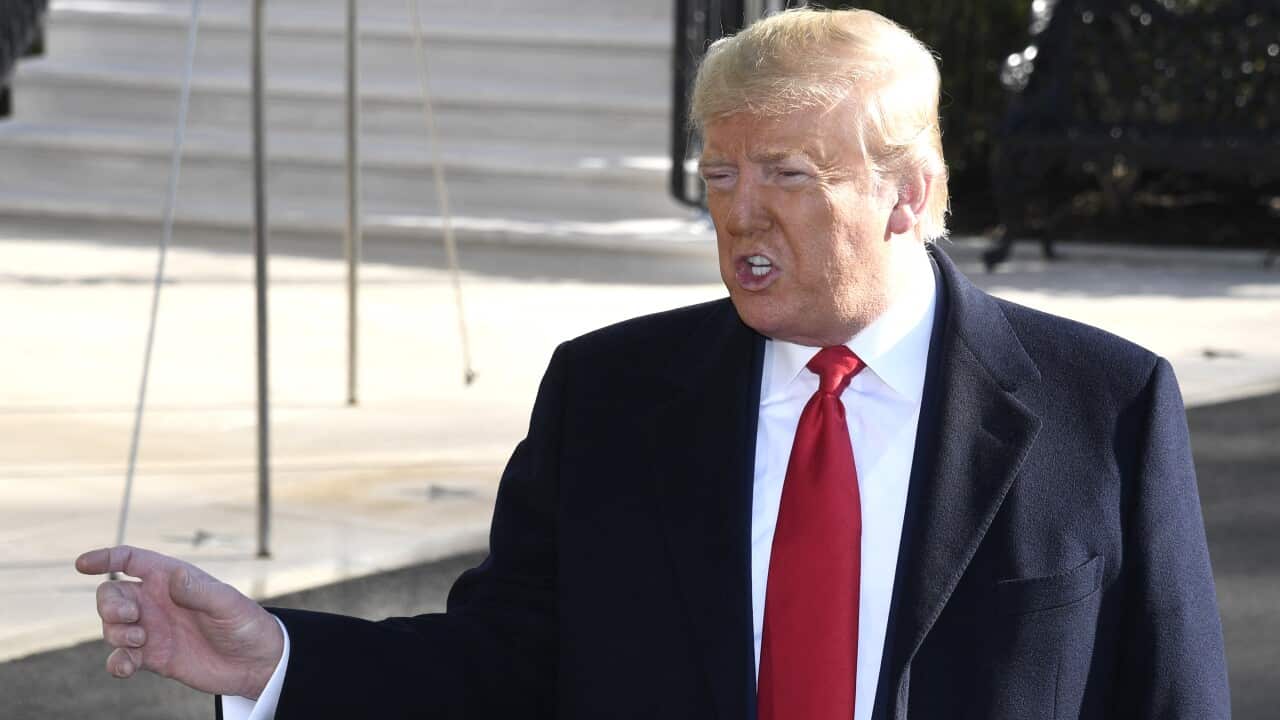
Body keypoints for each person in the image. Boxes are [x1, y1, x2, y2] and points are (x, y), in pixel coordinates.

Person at [75, 8, 1230, 719]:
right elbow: (509, 666)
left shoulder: (1104, 406)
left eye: (786, 175)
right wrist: (276, 658)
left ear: (904, 193)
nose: (739, 214)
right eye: (719, 175)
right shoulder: (610, 396)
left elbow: (1168, 697)